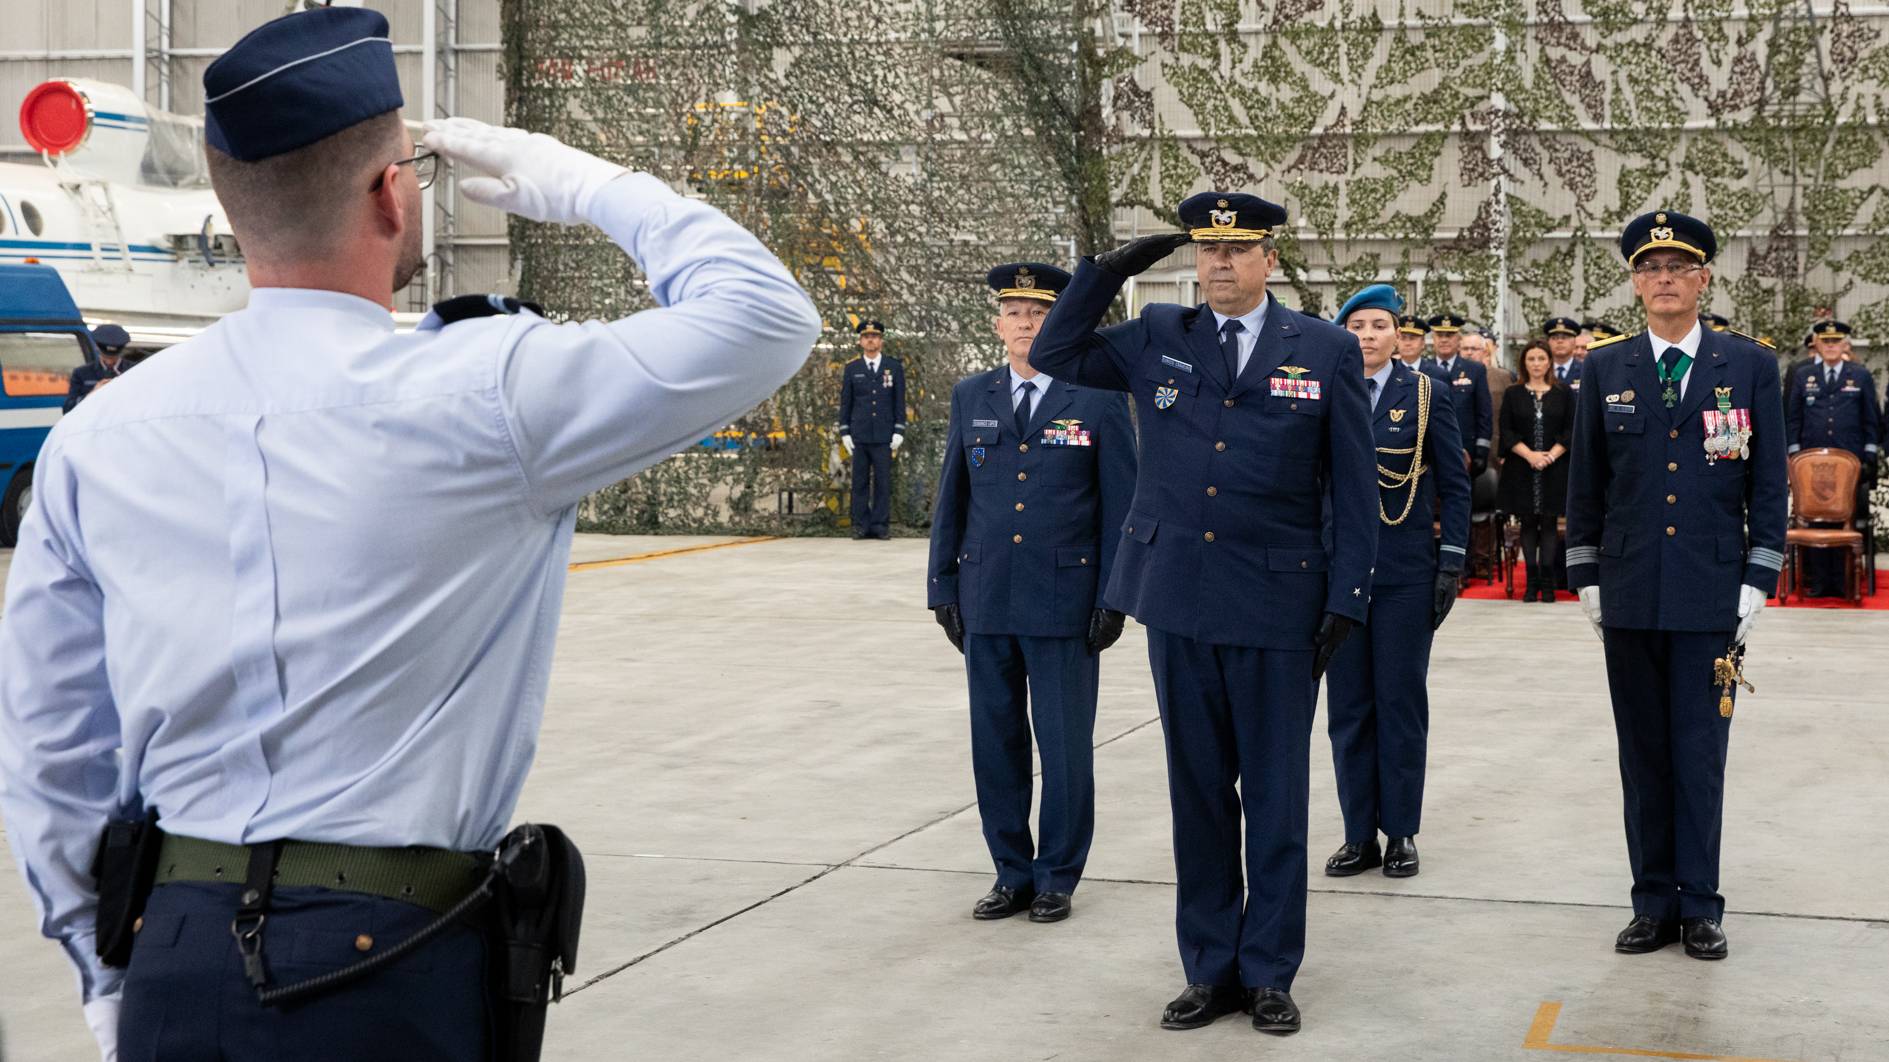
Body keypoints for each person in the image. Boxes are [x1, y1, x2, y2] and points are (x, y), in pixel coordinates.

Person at [0, 8, 821, 1059]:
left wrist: (106, 969)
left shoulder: (99, 434)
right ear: (393, 193)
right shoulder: (485, 395)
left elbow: (51, 741)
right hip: (386, 958)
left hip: (177, 954)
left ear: (235, 206)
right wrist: (586, 185)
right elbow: (762, 316)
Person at [1030, 191, 1376, 1036]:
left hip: (1278, 600)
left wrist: (1347, 597)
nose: (1218, 263)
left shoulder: (1323, 349)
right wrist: (1110, 269)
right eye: (1205, 249)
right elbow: (1055, 349)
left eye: (1236, 249)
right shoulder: (1158, 336)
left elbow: (1356, 486)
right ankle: (1208, 967)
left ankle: (1268, 972)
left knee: (1274, 797)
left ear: (1267, 259)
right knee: (1198, 795)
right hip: (1177, 596)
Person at [1566, 209, 1787, 963]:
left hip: (1709, 586)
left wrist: (1758, 573)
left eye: (1677, 267)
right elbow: (1585, 481)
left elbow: (1767, 479)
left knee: (1697, 750)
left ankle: (1699, 904)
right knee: (1642, 753)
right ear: (1633, 282)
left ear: (1702, 279)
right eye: (1648, 267)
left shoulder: (1748, 366)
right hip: (1627, 587)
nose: (1663, 278)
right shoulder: (1605, 367)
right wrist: (1586, 573)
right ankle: (1651, 901)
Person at [926, 263, 1136, 925]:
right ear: (996, 324)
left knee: (1064, 747)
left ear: (1060, 326)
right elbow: (951, 499)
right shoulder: (973, 395)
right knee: (995, 743)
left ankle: (1056, 877)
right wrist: (942, 587)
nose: (1025, 324)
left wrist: (1115, 595)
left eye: (1039, 314)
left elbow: (1120, 504)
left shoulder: (1096, 398)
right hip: (986, 596)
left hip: (1064, 601)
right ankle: (1009, 873)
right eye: (1014, 312)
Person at [1320, 285, 1469, 881]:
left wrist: (1451, 564)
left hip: (1407, 571)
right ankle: (1359, 834)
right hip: (1340, 574)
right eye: (1356, 326)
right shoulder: (1327, 391)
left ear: (1398, 334)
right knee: (1349, 706)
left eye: (1379, 325)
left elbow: (1456, 486)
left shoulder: (1425, 394)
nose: (1367, 336)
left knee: (1401, 704)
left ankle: (1401, 830)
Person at [1784, 320, 1880, 596]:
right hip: (1811, 466)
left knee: (1843, 518)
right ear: (1816, 344)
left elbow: (1870, 419)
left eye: (1835, 342)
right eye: (1825, 342)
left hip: (1850, 464)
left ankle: (1841, 581)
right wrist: (1794, 454)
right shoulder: (1805, 375)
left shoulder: (1859, 376)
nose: (1830, 347)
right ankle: (1816, 581)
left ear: (1845, 345)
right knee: (1814, 519)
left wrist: (1870, 455)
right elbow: (1794, 419)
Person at [1497, 340, 1574, 602]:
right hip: (1522, 468)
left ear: (1549, 362)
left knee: (1550, 523)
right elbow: (1506, 431)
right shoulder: (1513, 393)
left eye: (1541, 358)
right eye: (1531, 359)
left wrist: (1550, 455)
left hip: (1555, 469)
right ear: (1524, 363)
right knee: (1528, 523)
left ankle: (1548, 584)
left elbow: (1570, 430)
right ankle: (1531, 584)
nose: (1537, 364)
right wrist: (1530, 455)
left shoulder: (1563, 392)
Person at [836, 319, 907, 539]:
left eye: (874, 336)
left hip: (884, 435)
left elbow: (899, 400)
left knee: (883, 483)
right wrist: (845, 432)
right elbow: (846, 402)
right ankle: (860, 525)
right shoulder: (852, 369)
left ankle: (880, 525)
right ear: (860, 341)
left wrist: (899, 429)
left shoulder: (893, 367)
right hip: (860, 435)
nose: (870, 340)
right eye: (866, 337)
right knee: (859, 482)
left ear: (881, 340)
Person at [1423, 312, 1492, 475]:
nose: (1444, 339)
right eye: (1440, 335)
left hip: (1465, 451)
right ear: (1433, 338)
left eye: (1450, 335)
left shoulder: (1475, 369)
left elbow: (1484, 413)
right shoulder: (1423, 369)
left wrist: (1481, 450)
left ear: (1459, 339)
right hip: (1428, 451)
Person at [62, 324, 133, 412]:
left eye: (113, 357)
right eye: (106, 356)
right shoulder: (81, 373)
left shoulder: (134, 371)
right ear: (96, 347)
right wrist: (92, 394)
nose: (109, 362)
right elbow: (68, 409)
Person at [1544, 316, 1583, 391]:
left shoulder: (1585, 371)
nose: (1559, 341)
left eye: (1565, 337)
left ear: (1574, 342)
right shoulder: (1541, 370)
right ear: (1548, 342)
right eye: (1554, 338)